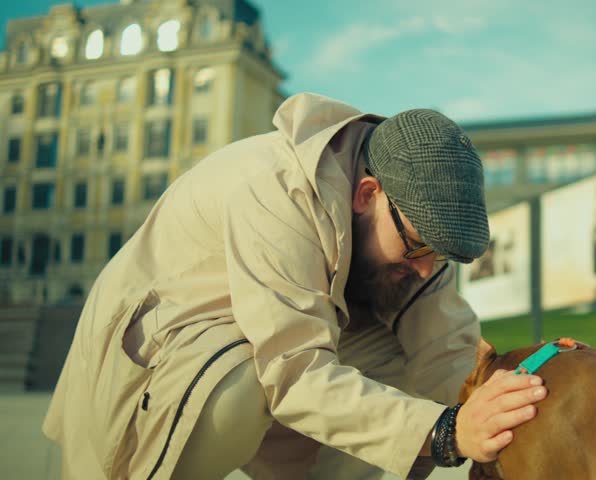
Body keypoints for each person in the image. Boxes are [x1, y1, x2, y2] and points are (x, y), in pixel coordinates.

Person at [43, 93, 548, 479]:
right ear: (367, 193)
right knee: (241, 378)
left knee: (401, 357)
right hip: (154, 368)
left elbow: (446, 350)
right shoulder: (273, 187)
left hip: (259, 348)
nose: (425, 268)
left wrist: (517, 393)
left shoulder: (406, 226)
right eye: (418, 246)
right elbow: (293, 373)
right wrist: (445, 432)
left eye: (438, 256)